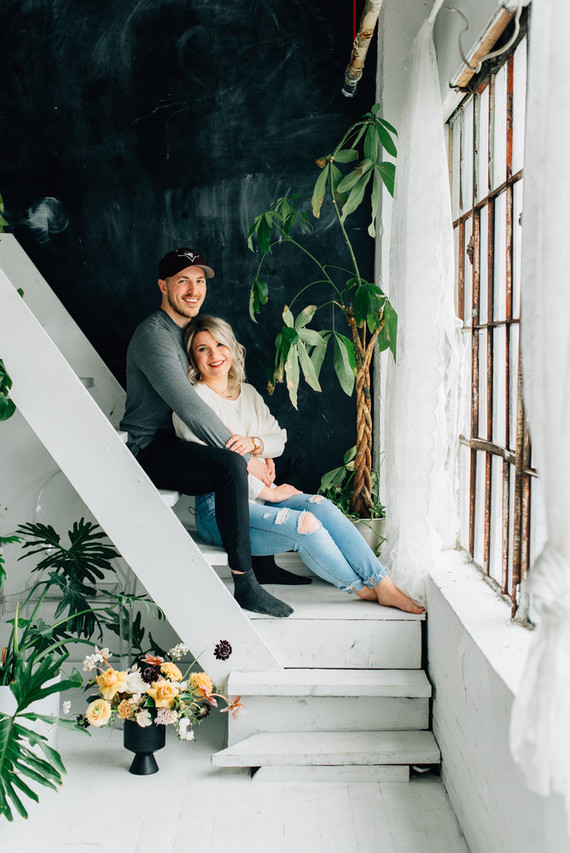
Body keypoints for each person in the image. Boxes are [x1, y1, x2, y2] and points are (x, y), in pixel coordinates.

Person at [173, 315, 425, 614]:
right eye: (202, 349)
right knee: (306, 525)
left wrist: (255, 446)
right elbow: (216, 466)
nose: (214, 354)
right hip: (219, 510)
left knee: (321, 506)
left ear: (232, 347)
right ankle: (363, 590)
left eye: (219, 344)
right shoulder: (193, 402)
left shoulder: (248, 393)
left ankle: (383, 584)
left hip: (257, 494)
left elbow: (278, 438)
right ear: (192, 357)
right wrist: (269, 492)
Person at [120, 247, 307, 621]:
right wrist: (245, 456)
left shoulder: (189, 332)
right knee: (229, 466)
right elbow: (188, 404)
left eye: (199, 281)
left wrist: (257, 446)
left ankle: (263, 559)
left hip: (186, 436)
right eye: (183, 281)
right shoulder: (154, 335)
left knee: (293, 456)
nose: (193, 290)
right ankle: (246, 583)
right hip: (153, 446)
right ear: (163, 285)